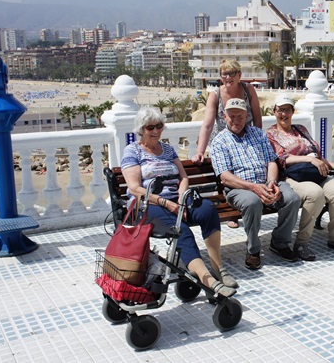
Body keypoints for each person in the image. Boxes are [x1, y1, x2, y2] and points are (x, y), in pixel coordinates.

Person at [121, 106, 238, 297]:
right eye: (151, 127)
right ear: (141, 129)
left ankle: (218, 269)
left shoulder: (167, 149)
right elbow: (135, 188)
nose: (157, 131)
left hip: (176, 200)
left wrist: (181, 201)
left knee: (208, 210)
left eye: (159, 126)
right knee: (180, 229)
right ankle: (208, 281)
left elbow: (183, 177)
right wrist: (166, 203)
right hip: (148, 206)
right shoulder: (133, 151)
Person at [210, 98, 301, 270]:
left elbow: (271, 162)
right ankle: (253, 249)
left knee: (292, 198)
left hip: (265, 182)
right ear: (224, 116)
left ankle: (280, 243)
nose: (236, 120)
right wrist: (253, 187)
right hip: (239, 188)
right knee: (252, 202)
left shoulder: (258, 134)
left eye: (240, 116)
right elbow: (225, 177)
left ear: (247, 116)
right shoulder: (219, 142)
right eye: (232, 116)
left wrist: (272, 182)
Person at [266, 94, 334, 260]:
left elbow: (317, 155)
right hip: (291, 176)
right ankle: (301, 243)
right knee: (315, 194)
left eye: (287, 110)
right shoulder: (271, 134)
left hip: (315, 173)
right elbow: (281, 159)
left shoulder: (301, 129)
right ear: (274, 112)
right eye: (280, 110)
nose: (284, 114)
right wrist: (309, 159)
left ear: (293, 112)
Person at [191, 59, 263, 229]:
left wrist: (257, 139)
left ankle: (248, 205)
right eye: (224, 74)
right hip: (225, 140)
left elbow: (258, 118)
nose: (228, 77)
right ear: (220, 76)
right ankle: (234, 211)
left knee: (247, 170)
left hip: (247, 137)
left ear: (239, 75)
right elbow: (208, 125)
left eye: (232, 73)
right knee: (228, 174)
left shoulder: (248, 90)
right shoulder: (215, 95)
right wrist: (200, 151)